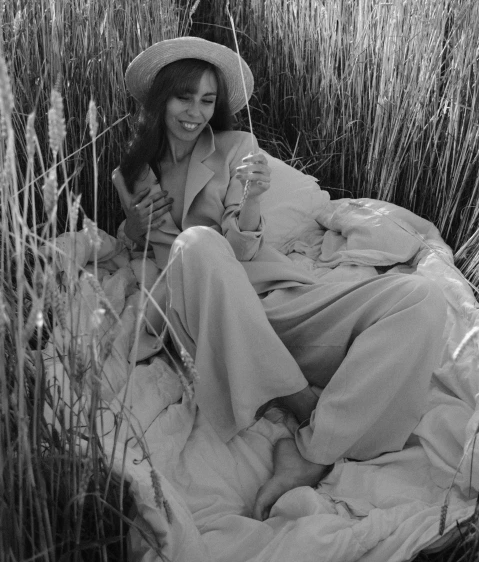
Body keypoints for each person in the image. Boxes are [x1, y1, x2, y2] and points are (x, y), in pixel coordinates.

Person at [113, 36, 447, 522]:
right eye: (185, 97)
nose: (196, 112)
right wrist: (133, 228)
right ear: (161, 97)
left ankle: (312, 449)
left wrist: (251, 200)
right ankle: (297, 397)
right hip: (203, 315)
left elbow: (243, 245)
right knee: (197, 244)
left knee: (422, 297)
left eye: (208, 100)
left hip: (272, 299)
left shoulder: (236, 147)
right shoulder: (133, 171)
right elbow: (143, 252)